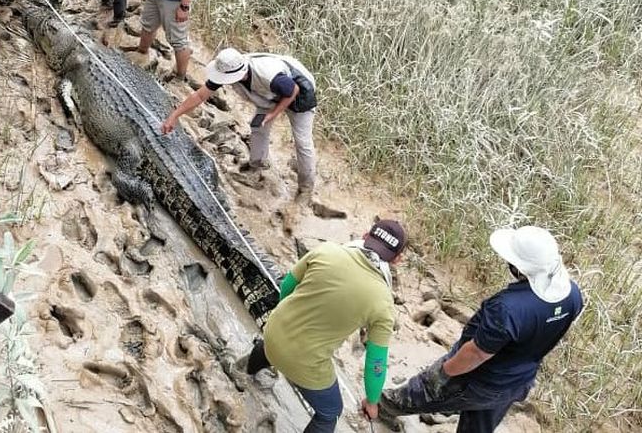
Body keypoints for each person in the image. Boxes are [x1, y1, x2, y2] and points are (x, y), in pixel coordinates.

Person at [379, 225, 583, 433]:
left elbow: (476, 353)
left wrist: (441, 374)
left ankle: (382, 407)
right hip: (516, 383)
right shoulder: (573, 296)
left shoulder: (507, 308)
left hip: (479, 379)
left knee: (418, 394)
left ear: (520, 267)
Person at [241, 219, 407, 433]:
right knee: (331, 411)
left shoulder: (327, 250)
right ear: (397, 260)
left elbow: (287, 287)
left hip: (273, 330)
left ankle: (246, 372)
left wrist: (288, 321)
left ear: (366, 235)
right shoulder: (383, 302)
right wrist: (372, 401)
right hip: (305, 362)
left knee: (271, 345)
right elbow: (376, 363)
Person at [162, 47, 317, 196]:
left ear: (238, 75)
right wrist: (174, 116)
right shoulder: (229, 68)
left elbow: (293, 90)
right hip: (269, 96)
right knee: (257, 128)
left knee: (303, 143)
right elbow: (200, 96)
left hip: (300, 95)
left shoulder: (269, 76)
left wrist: (273, 114)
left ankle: (305, 189)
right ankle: (256, 166)